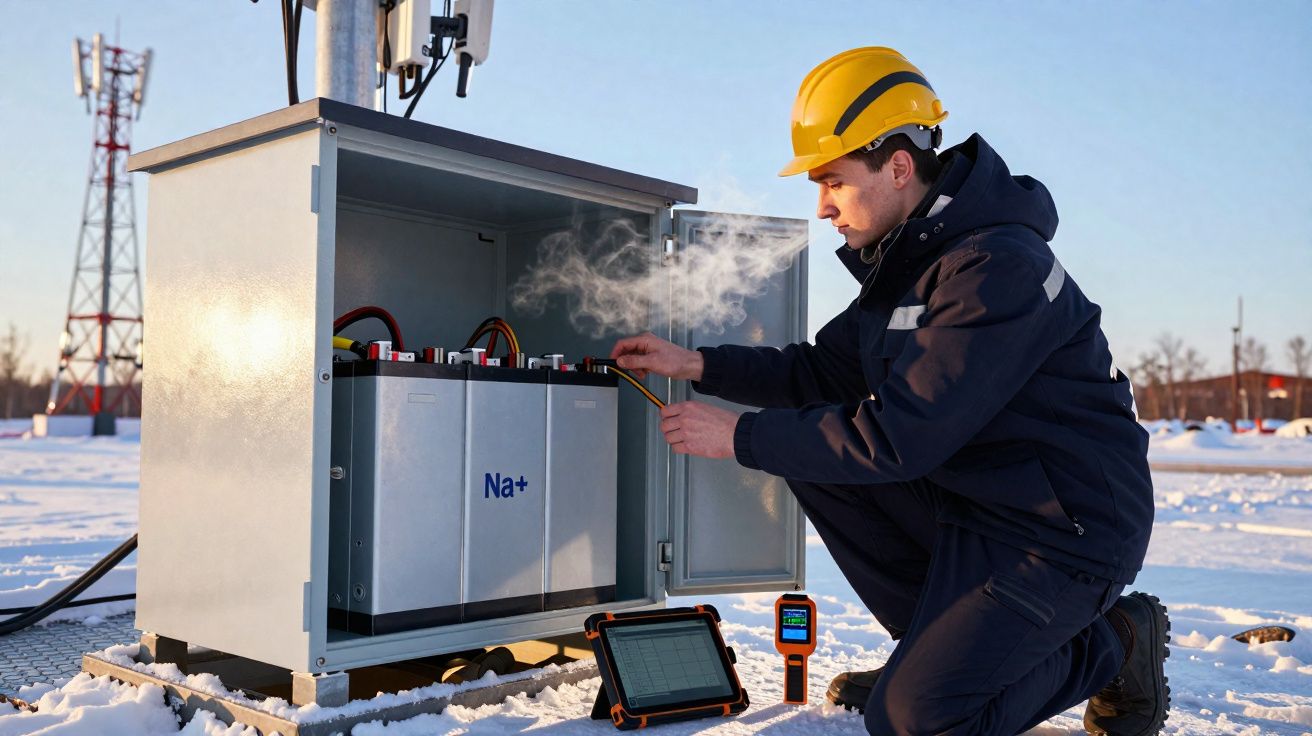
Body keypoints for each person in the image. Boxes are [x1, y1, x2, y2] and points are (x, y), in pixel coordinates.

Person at [610, 47, 1168, 735]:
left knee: (913, 720)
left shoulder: (996, 269)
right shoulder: (914, 262)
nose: (822, 208)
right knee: (808, 447)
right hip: (983, 503)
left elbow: (900, 437)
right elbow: (820, 374)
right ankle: (939, 648)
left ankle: (1113, 642)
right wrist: (697, 364)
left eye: (833, 183)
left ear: (898, 166)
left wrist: (738, 437)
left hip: (1062, 530)